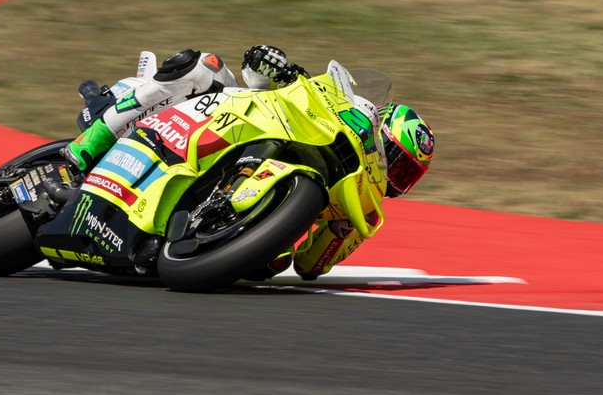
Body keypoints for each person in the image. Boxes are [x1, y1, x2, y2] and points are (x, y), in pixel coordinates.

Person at [60, 45, 435, 280]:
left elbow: (310, 267)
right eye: (397, 162)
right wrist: (275, 64)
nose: (395, 177)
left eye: (406, 176)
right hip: (238, 117)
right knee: (198, 65)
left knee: (269, 266)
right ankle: (91, 143)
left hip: (240, 234)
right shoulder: (348, 109)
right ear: (379, 132)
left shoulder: (363, 211)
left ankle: (197, 226)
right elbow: (259, 79)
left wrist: (332, 234)